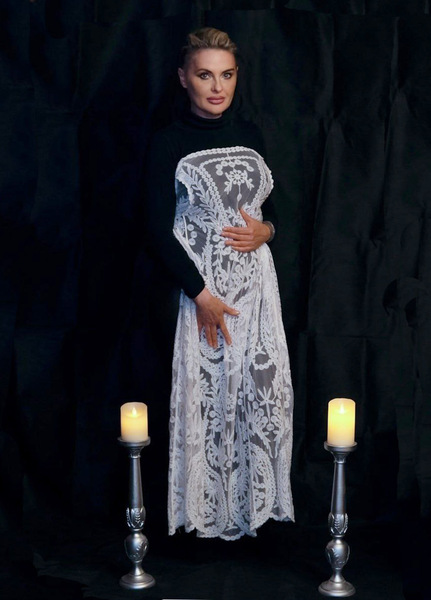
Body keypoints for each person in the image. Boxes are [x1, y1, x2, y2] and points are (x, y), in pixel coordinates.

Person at [145, 27, 294, 540]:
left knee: (258, 396)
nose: (217, 87)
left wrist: (267, 231)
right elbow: (155, 229)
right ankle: (204, 519)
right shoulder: (168, 142)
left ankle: (254, 515)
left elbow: (275, 213)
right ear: (183, 78)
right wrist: (200, 294)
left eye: (226, 75)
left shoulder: (251, 134)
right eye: (205, 75)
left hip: (258, 293)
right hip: (200, 294)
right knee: (208, 400)